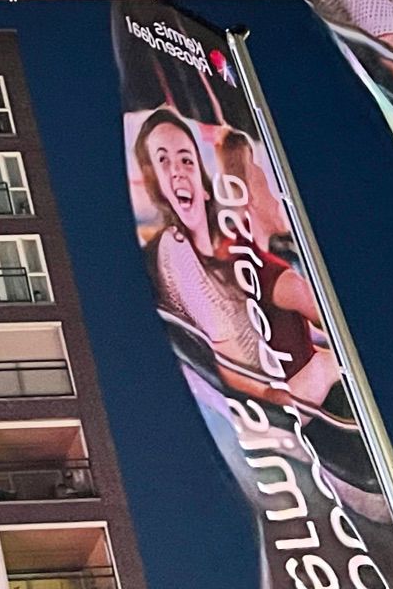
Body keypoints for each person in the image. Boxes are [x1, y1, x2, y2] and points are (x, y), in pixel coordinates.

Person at [133, 108, 340, 408]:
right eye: (163, 160)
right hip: (278, 420)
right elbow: (235, 372)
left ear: (205, 188)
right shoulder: (176, 251)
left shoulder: (234, 259)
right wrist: (323, 370)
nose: (177, 170)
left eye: (186, 159)